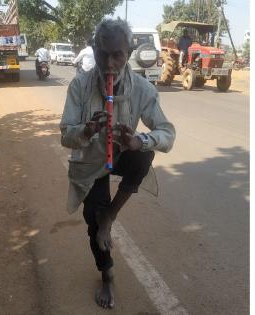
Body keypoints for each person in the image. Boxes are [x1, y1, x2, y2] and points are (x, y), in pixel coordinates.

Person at [59, 18, 175, 309]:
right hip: (92, 162)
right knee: (91, 223)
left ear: (128, 53)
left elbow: (167, 134)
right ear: (95, 50)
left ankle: (110, 215)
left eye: (118, 55)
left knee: (144, 154)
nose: (110, 63)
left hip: (122, 156)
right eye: (103, 54)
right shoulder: (80, 86)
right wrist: (85, 131)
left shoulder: (143, 90)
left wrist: (138, 140)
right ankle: (107, 273)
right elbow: (66, 135)